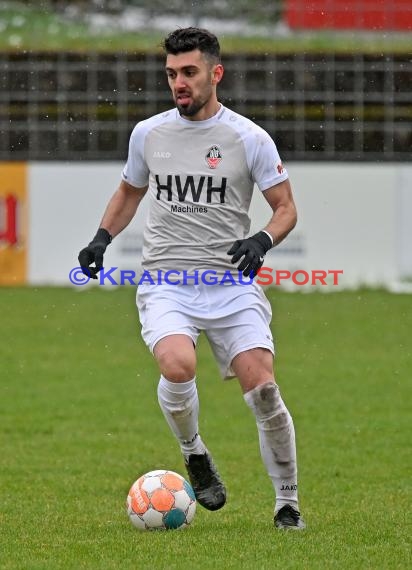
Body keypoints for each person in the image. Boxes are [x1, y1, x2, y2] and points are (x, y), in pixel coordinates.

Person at [78, 27, 305, 530]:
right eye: (171, 74)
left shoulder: (249, 138)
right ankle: (194, 453)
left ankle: (286, 502)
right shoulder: (149, 133)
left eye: (188, 73)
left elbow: (286, 209)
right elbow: (129, 192)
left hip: (230, 283)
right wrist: (101, 238)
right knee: (178, 365)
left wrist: (262, 240)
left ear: (215, 74)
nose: (178, 83)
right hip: (167, 280)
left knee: (263, 388)